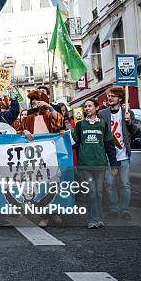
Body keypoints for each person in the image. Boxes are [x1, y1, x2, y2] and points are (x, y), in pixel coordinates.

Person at [13, 90, 64, 228]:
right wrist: (24, 131)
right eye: (32, 100)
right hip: (35, 159)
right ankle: (44, 216)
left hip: (50, 157)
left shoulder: (49, 114)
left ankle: (54, 211)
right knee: (41, 188)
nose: (33, 102)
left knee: (53, 185)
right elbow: (16, 131)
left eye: (36, 99)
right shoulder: (27, 118)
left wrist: (49, 107)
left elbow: (59, 123)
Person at [72, 99, 118, 229]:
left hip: (100, 164)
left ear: (96, 108)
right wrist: (65, 135)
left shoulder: (103, 124)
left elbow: (109, 145)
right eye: (85, 106)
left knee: (99, 193)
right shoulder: (80, 125)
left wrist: (113, 165)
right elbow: (75, 143)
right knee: (91, 192)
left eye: (90, 106)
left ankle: (99, 218)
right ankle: (92, 220)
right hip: (85, 165)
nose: (87, 108)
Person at [99, 86, 140, 220]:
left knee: (125, 184)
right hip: (108, 155)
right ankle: (113, 208)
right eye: (108, 96)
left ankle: (125, 210)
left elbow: (135, 132)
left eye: (113, 96)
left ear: (120, 98)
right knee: (109, 183)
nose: (109, 98)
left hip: (123, 154)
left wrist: (129, 122)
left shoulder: (127, 112)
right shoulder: (103, 113)